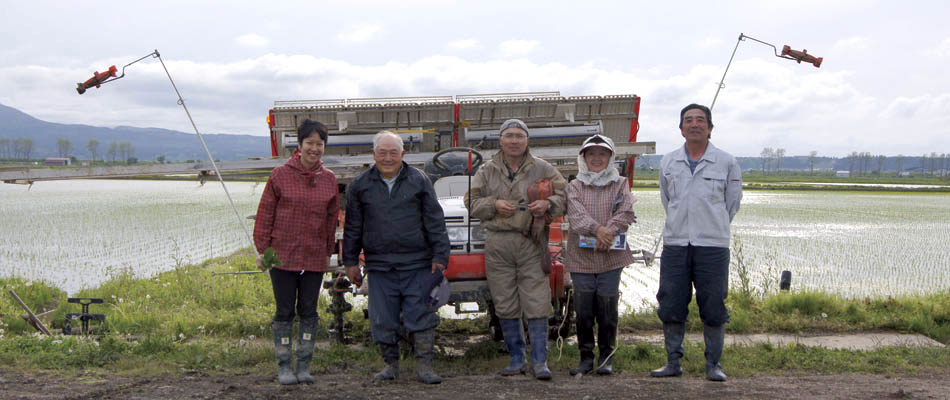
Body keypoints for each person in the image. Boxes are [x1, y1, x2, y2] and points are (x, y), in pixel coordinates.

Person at [343, 131, 450, 384]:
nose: (388, 158)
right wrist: (350, 261)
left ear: (403, 154)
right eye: (383, 152)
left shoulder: (419, 180)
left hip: (418, 264)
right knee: (383, 320)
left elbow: (434, 220)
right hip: (380, 267)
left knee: (422, 316)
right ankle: (390, 366)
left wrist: (440, 256)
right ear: (374, 155)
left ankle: (424, 367)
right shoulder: (360, 186)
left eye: (393, 152)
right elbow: (353, 227)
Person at [465, 119, 567, 380]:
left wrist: (548, 205)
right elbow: (471, 202)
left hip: (531, 240)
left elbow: (565, 196)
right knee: (505, 301)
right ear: (500, 139)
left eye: (519, 136)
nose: (514, 140)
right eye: (509, 135)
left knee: (537, 300)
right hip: (498, 243)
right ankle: (516, 360)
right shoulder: (486, 171)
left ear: (527, 140)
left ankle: (540, 362)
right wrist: (494, 204)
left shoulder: (543, 168)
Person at [651, 104, 742, 382]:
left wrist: (710, 224)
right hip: (676, 244)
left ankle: (713, 365)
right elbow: (668, 200)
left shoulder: (726, 162)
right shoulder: (668, 161)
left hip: (713, 246)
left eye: (700, 120)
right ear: (681, 129)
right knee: (671, 302)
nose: (694, 124)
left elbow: (732, 203)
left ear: (710, 128)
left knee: (713, 304)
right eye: (688, 120)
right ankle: (672, 362)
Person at [253, 119, 339, 385]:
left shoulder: (329, 180)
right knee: (284, 311)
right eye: (310, 143)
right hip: (282, 256)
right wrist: (263, 251)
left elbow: (330, 220)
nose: (314, 148)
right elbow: (265, 215)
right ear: (299, 146)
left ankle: (303, 366)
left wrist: (327, 253)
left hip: (313, 257)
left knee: (309, 311)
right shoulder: (280, 175)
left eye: (319, 144)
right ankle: (284, 367)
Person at [565, 134, 637, 376]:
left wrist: (610, 231)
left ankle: (607, 356)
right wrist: (599, 230)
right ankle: (586, 358)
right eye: (591, 154)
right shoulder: (574, 185)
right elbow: (576, 216)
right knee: (584, 310)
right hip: (581, 258)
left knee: (608, 308)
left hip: (611, 258)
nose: (597, 158)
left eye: (602, 154)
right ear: (584, 158)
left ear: (611, 157)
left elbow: (626, 212)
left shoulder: (621, 183)